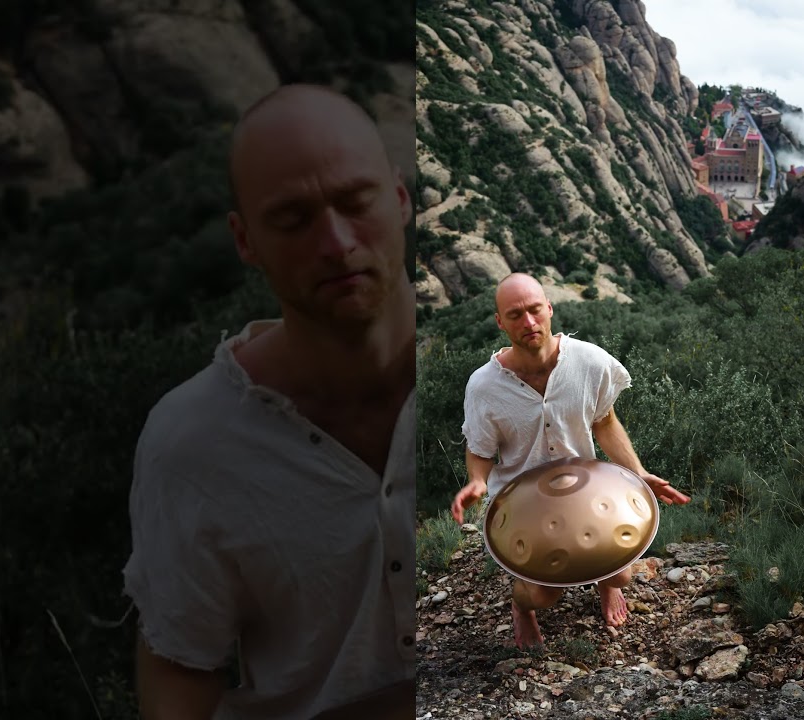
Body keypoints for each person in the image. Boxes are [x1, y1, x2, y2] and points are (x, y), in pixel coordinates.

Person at [120, 84, 416, 719]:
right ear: (245, 240)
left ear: (399, 198)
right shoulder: (192, 444)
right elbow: (181, 667)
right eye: (293, 219)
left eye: (355, 201)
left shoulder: (483, 374)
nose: (335, 242)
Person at [450, 273, 690, 649]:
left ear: (549, 309)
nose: (528, 322)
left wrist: (639, 472)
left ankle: (606, 585)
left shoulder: (589, 361)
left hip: (584, 491)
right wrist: (478, 481)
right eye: (515, 315)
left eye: (534, 310)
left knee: (621, 576)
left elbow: (605, 422)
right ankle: (521, 607)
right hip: (524, 503)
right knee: (543, 595)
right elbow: (480, 450)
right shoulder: (484, 386)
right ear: (500, 322)